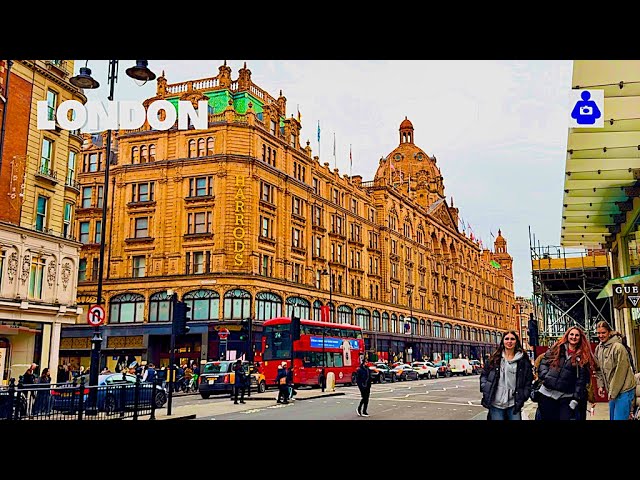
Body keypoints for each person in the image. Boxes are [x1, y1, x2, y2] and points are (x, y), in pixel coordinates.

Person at [536, 326, 596, 421]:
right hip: (547, 394)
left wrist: (575, 399)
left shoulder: (583, 355)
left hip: (566, 397)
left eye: (577, 335)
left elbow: (581, 381)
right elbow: (544, 362)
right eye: (571, 334)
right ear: (567, 335)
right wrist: (546, 376)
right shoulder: (557, 348)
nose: (574, 337)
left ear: (580, 338)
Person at [480, 330, 533, 420]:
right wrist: (485, 387)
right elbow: (484, 375)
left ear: (516, 341)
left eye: (512, 339)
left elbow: (528, 380)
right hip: (496, 403)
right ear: (503, 341)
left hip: (513, 403)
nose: (509, 341)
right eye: (506, 339)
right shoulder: (495, 358)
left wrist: (524, 395)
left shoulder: (523, 360)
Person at [594, 321, 636, 420]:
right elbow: (598, 369)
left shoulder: (618, 347)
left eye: (603, 333)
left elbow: (620, 372)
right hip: (612, 391)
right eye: (598, 333)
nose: (601, 335)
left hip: (624, 390)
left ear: (609, 332)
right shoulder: (599, 348)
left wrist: (613, 393)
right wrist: (600, 385)